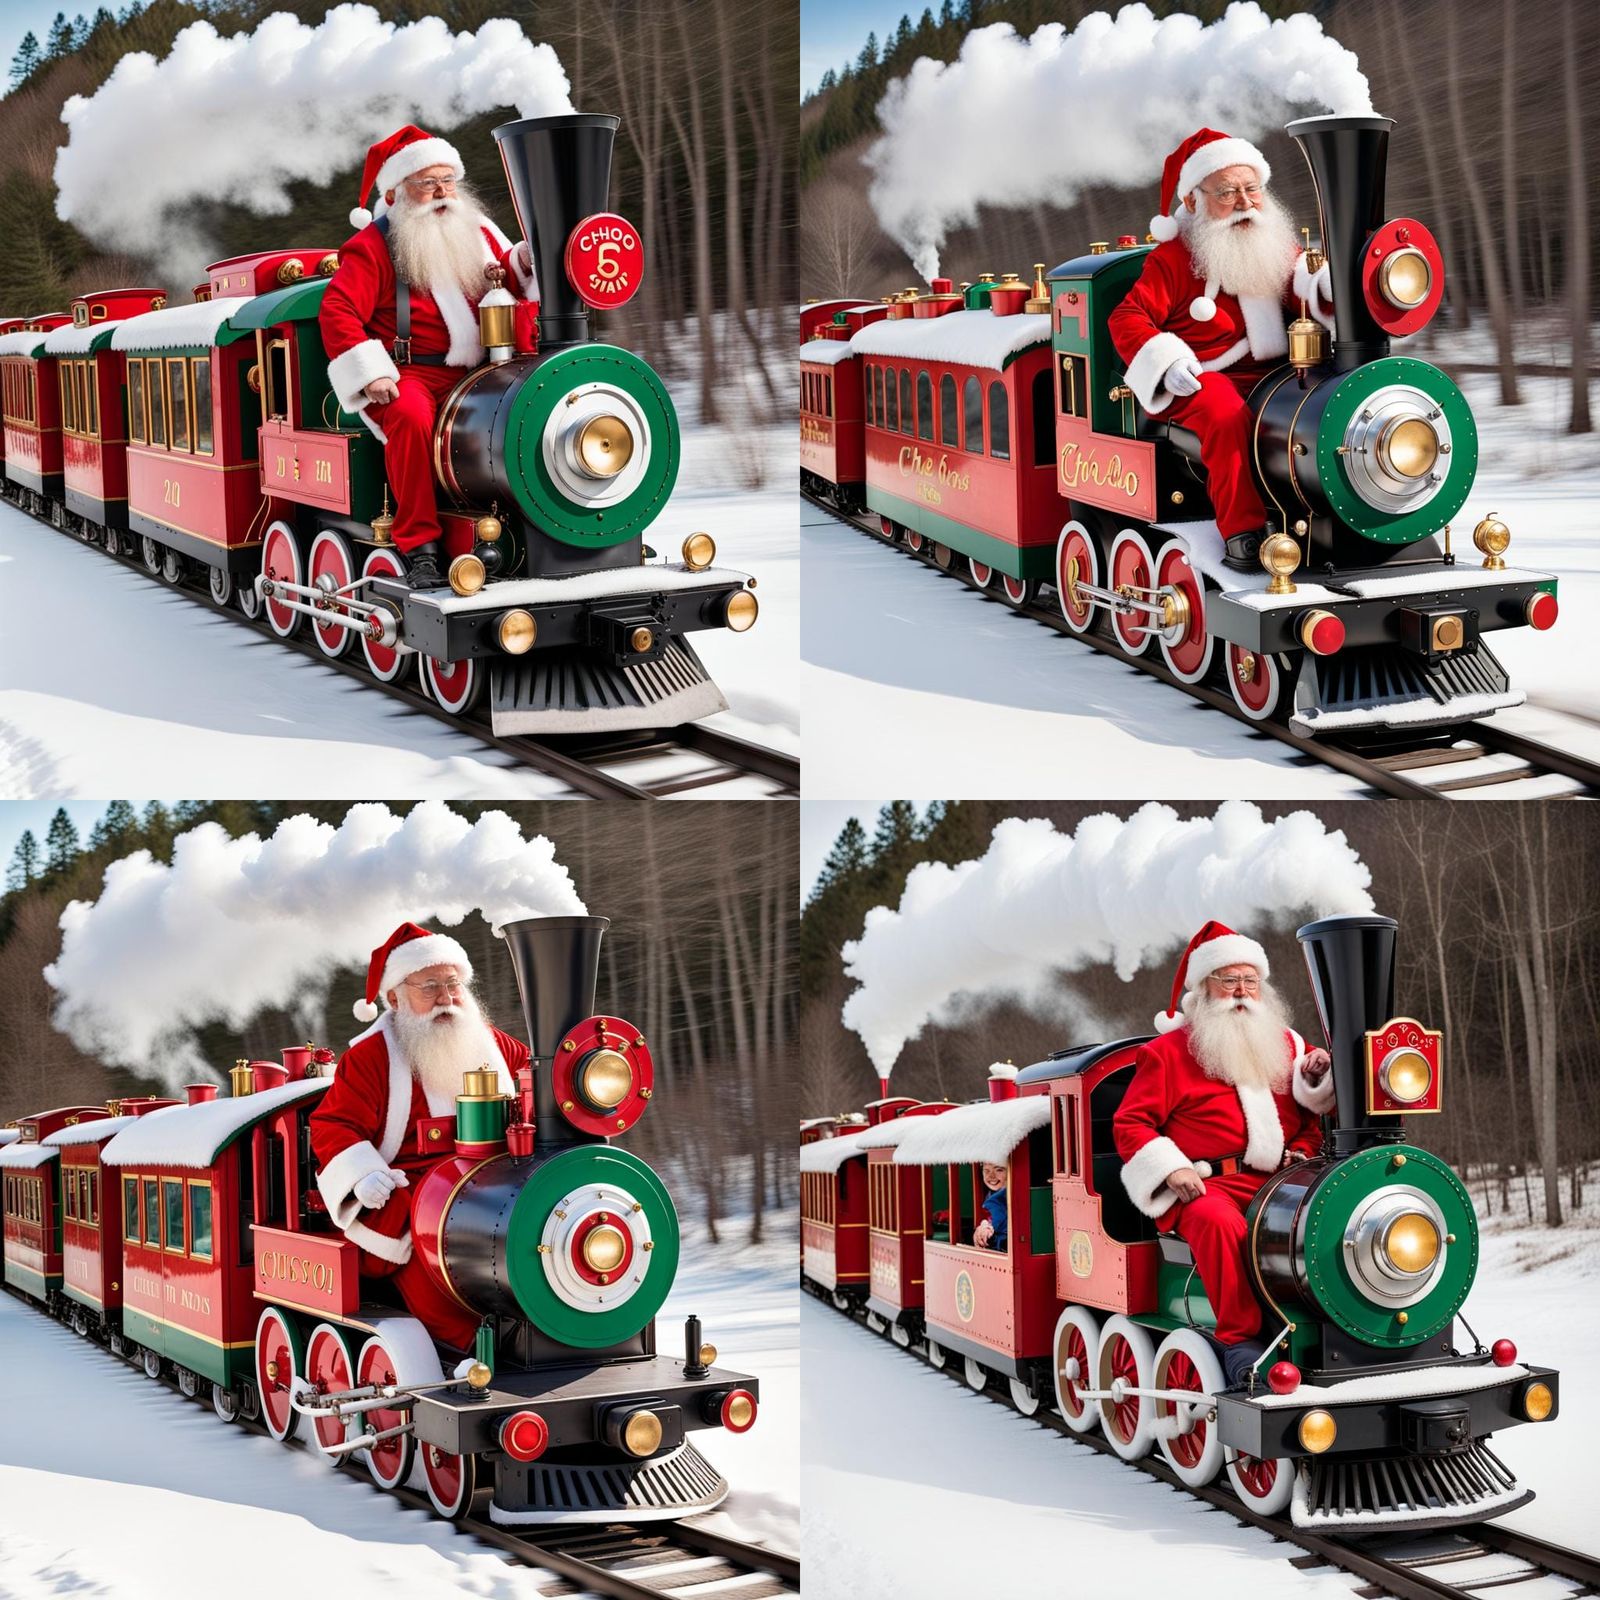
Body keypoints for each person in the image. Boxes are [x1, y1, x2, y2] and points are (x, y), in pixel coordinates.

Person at [1113, 920, 1336, 1387]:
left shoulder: (1290, 1045)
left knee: (1334, 1213)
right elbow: (1131, 1123)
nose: (1241, 990)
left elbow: (1311, 1121)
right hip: (1204, 1185)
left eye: (1250, 979)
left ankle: (1338, 1327)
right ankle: (1240, 1340)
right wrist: (1171, 1170)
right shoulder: (1169, 1052)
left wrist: (1313, 1092)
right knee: (1221, 1225)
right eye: (1228, 979)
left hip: (1278, 1179)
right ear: (1204, 986)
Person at [319, 124, 541, 589]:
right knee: (410, 417)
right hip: (411, 372)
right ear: (398, 192)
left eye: (448, 180)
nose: (441, 192)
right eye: (427, 183)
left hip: (488, 366)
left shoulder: (477, 229)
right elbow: (338, 309)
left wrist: (528, 260)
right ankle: (420, 546)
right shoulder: (375, 245)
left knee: (538, 404)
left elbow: (512, 278)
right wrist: (373, 373)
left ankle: (541, 523)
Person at [1108, 127, 1334, 570]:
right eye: (1228, 192)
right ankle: (1242, 534)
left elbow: (1304, 290)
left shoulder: (1274, 246)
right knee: (1225, 414)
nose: (1246, 202)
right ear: (1192, 200)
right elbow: (1127, 317)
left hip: (1275, 374)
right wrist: (1168, 360)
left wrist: (1328, 283)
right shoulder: (1172, 259)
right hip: (1202, 380)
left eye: (1252, 188)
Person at [310, 921, 529, 1349]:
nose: (445, 998)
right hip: (414, 1204)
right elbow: (334, 1125)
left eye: (452, 984)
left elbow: (540, 1098)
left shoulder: (500, 1048)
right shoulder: (370, 1058)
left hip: (501, 1192)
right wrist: (362, 1173)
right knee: (445, 1298)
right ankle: (477, 1363)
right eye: (429, 986)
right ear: (394, 997)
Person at [972, 1161, 1008, 1250]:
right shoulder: (991, 1194)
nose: (991, 1176)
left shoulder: (998, 1198)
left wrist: (987, 1227)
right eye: (986, 1171)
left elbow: (994, 1217)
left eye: (999, 1170)